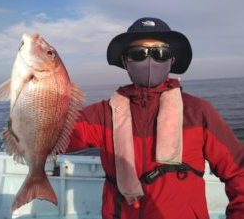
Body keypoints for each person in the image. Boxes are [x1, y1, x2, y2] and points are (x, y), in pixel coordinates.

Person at [66, 17, 244, 219]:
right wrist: (36, 93)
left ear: (171, 61)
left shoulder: (198, 111)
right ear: (126, 61)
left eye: (161, 53)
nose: (150, 60)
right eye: (138, 53)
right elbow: (55, 137)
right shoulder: (103, 113)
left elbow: (239, 170)